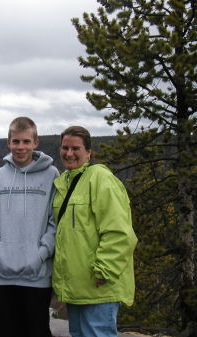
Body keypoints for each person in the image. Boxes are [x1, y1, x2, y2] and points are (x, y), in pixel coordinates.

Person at [52, 126, 138, 337]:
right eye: (65, 148)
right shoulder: (64, 182)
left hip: (98, 285)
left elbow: (119, 232)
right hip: (75, 287)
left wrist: (104, 270)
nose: (69, 153)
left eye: (75, 148)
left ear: (89, 152)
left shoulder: (101, 179)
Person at [0, 117, 59, 337]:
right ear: (8, 143)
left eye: (25, 141)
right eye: (16, 142)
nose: (20, 147)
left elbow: (55, 221)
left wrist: (41, 254)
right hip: (2, 272)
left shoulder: (52, 175)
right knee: (4, 331)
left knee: (37, 330)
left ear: (36, 142)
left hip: (37, 272)